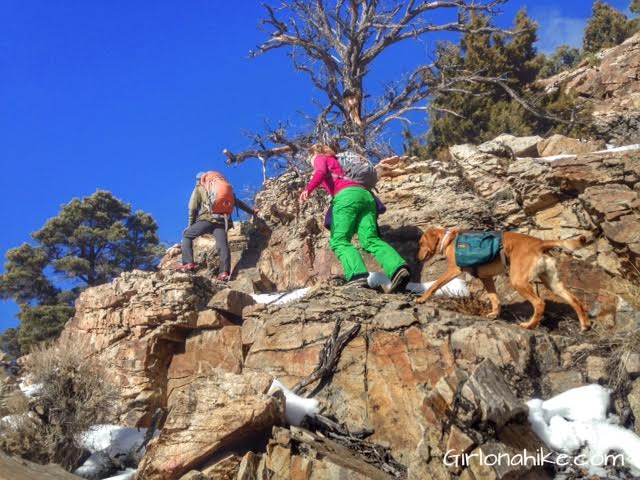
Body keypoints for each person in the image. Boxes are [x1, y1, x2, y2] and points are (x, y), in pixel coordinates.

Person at [299, 144, 410, 292]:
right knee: (370, 239)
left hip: (347, 197)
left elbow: (320, 171)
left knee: (339, 240)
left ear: (314, 154)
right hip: (367, 196)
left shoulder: (320, 158)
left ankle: (357, 276)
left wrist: (308, 189)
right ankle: (398, 269)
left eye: (310, 160)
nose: (311, 163)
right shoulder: (339, 161)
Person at [177, 171, 257, 281]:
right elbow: (237, 202)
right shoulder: (220, 189)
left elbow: (192, 207)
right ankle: (224, 272)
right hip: (222, 221)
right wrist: (252, 212)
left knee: (187, 235)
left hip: (207, 219)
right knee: (222, 245)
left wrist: (190, 225)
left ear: (200, 180)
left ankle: (188, 263)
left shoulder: (200, 188)